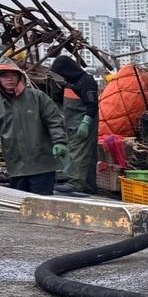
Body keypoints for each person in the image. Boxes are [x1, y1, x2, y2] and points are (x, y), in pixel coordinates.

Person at [0, 59, 68, 195]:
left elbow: (54, 120)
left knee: (43, 205)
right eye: (5, 76)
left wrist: (59, 141)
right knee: (19, 205)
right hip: (16, 165)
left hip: (41, 164)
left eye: (13, 75)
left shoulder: (37, 97)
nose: (10, 79)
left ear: (20, 77)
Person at [48, 55, 99, 194]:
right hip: (72, 124)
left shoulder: (86, 81)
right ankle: (88, 186)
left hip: (83, 124)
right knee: (86, 155)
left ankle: (75, 183)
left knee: (78, 153)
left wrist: (86, 122)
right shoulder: (71, 82)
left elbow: (93, 104)